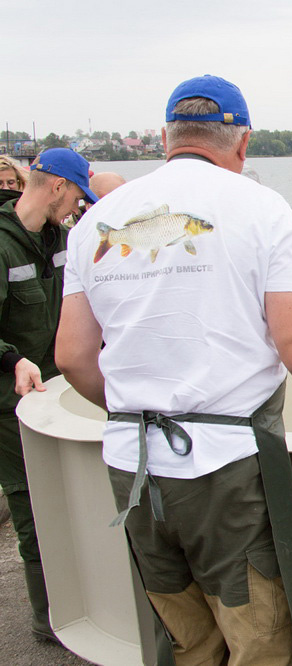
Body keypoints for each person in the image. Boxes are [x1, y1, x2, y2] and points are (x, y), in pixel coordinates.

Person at [55, 75, 292, 665]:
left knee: (188, 637)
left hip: (130, 466)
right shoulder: (259, 206)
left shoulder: (100, 217)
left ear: (166, 138)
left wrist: (143, 410)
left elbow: (71, 357)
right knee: (258, 636)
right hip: (224, 470)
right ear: (242, 142)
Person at [1, 148, 96, 642]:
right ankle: (47, 615)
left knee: (77, 498)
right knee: (32, 506)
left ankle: (91, 595)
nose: (79, 205)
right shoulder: (1, 244)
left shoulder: (64, 237)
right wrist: (11, 358)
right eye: (78, 194)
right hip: (10, 404)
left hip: (60, 394)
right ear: (57, 185)